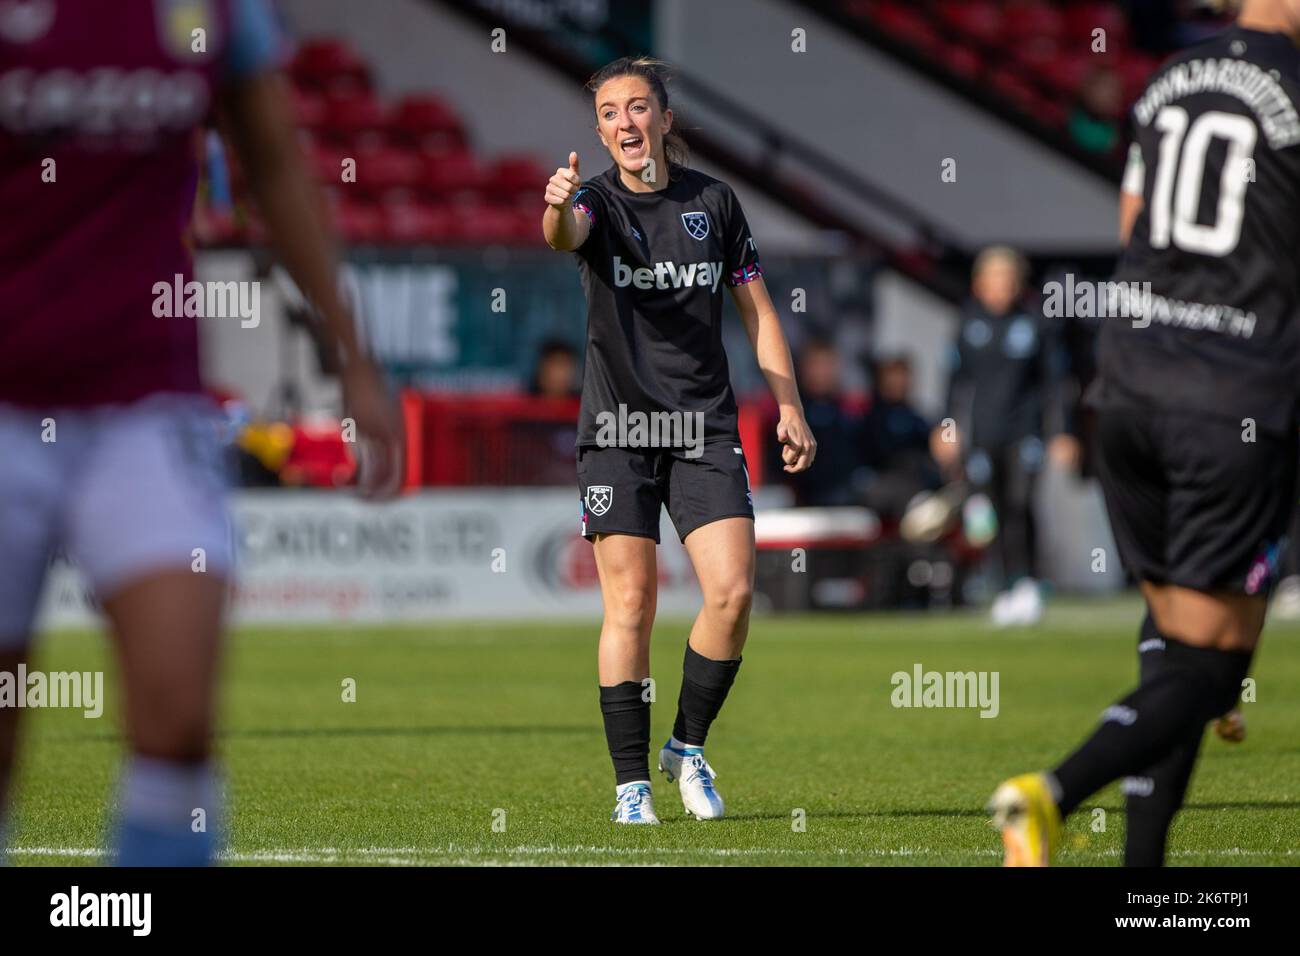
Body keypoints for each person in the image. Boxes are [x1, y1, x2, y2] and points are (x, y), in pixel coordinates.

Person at [0, 0, 403, 865]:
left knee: (180, 723)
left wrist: (352, 359)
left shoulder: (222, 10)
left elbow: (275, 167)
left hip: (147, 403)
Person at [990, 0, 1300, 866]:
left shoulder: (1168, 81)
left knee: (1179, 653)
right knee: (1206, 672)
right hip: (1229, 394)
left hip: (1128, 381)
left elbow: (1135, 229)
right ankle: (1047, 795)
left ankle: (1146, 882)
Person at [542, 56, 815, 824]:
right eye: (608, 114)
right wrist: (558, 205)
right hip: (618, 433)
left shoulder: (715, 203)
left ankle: (686, 747)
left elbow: (758, 312)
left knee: (731, 594)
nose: (624, 123)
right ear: (598, 130)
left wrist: (788, 404)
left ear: (663, 118)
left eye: (637, 108)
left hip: (703, 427)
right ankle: (631, 785)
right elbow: (565, 232)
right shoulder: (592, 201)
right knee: (630, 604)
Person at [930, 246, 1080, 626]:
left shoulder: (1035, 324)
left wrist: (1063, 432)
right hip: (983, 434)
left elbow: (1055, 384)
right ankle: (1004, 586)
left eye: (1007, 280)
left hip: (1025, 433)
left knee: (1021, 503)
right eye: (993, 280)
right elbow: (954, 384)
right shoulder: (968, 323)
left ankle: (1028, 583)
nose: (1000, 288)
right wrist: (946, 429)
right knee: (990, 513)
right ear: (980, 284)